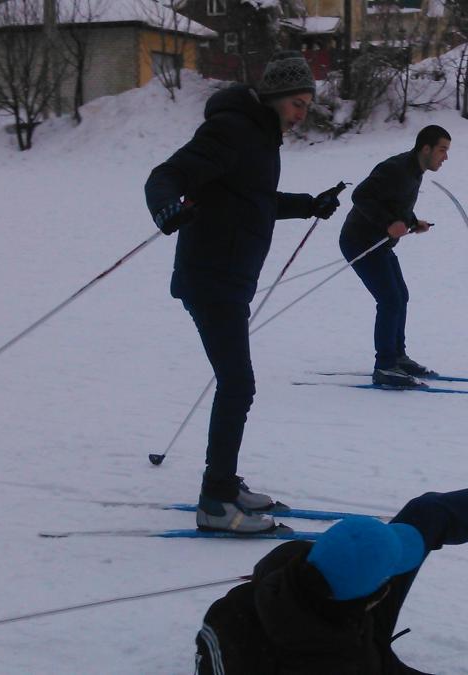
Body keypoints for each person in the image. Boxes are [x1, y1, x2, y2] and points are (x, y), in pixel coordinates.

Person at [194, 419, 468, 674]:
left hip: (334, 625)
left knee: (426, 513)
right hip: (340, 649)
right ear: (373, 600)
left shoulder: (282, 566)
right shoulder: (348, 662)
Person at [143, 52, 343, 534]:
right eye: (296, 104)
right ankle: (215, 502)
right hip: (211, 278)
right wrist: (167, 208)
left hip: (229, 278)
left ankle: (226, 485)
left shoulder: (259, 138)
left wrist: (307, 205)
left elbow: (253, 199)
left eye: (305, 106)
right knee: (238, 384)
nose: (300, 115)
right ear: (274, 97)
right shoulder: (232, 129)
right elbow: (164, 176)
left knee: (237, 384)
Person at [339, 125, 451, 389]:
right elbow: (361, 195)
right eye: (442, 150)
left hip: (379, 244)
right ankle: (385, 366)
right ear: (426, 148)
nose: (445, 157)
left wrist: (412, 221)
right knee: (389, 298)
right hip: (359, 242)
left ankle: (397, 357)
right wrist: (389, 223)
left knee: (400, 295)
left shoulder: (414, 171)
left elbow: (393, 203)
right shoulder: (395, 168)